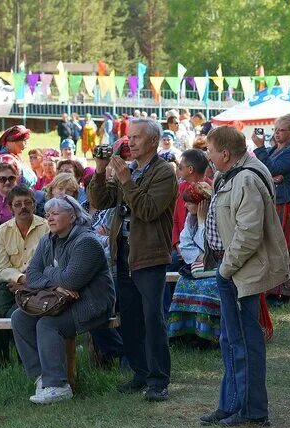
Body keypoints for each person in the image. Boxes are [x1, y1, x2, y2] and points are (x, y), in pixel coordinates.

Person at [200, 125, 289, 427]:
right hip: (233, 270)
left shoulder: (246, 178)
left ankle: (251, 410)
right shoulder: (233, 173)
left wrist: (226, 269)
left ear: (225, 154)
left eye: (211, 150)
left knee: (244, 343)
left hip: (239, 272)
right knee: (231, 339)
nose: (208, 156)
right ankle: (231, 405)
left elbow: (248, 234)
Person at [87, 117, 177, 401]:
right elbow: (101, 202)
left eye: (137, 137)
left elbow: (148, 210)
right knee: (131, 317)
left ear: (153, 141)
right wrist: (100, 171)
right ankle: (140, 373)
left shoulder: (164, 172)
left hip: (150, 253)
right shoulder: (132, 169)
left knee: (152, 318)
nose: (130, 142)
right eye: (129, 136)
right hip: (124, 252)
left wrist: (126, 180)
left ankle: (159, 380)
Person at [11, 195, 115, 404]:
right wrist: (56, 285)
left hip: (92, 302)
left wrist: (49, 272)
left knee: (48, 324)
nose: (49, 218)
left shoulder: (87, 242)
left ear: (72, 217)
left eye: (55, 213)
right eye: (47, 214)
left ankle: (58, 386)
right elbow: (32, 276)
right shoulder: (46, 240)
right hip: (59, 300)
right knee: (19, 318)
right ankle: (42, 378)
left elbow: (71, 280)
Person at [0, 185, 49, 367]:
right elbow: (1, 267)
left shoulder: (46, 228)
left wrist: (29, 282)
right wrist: (21, 279)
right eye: (18, 204)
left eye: (27, 203)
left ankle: (25, 361)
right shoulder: (3, 230)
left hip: (37, 286)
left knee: (15, 314)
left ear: (34, 205)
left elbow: (49, 263)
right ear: (10, 207)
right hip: (9, 284)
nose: (23, 207)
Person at [252, 113, 290, 303]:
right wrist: (272, 175)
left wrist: (260, 148)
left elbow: (270, 169)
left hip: (284, 203)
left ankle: (283, 291)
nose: (277, 133)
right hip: (271, 201)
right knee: (269, 245)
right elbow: (263, 169)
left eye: (281, 130)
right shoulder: (272, 150)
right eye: (275, 130)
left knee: (283, 245)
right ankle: (270, 289)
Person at [167, 183, 221, 346]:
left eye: (189, 203)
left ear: (202, 204)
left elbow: (211, 245)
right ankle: (184, 332)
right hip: (200, 266)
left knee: (206, 287)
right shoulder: (190, 219)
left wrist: (202, 222)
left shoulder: (214, 219)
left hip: (217, 267)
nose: (185, 206)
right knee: (183, 284)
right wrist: (200, 256)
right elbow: (184, 244)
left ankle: (207, 335)